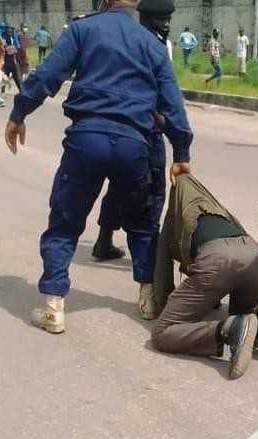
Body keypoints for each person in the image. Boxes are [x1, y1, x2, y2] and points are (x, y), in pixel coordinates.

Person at [4, 0, 192, 334]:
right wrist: (181, 153)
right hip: (135, 144)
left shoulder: (83, 29)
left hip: (86, 138)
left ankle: (53, 305)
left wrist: (19, 113)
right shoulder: (152, 43)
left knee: (65, 221)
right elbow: (172, 103)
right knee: (142, 224)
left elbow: (48, 75)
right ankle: (148, 297)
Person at [152, 175, 258, 379]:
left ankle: (229, 329)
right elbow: (237, 260)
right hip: (256, 256)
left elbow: (163, 267)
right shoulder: (222, 213)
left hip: (217, 261)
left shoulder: (176, 218)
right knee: (242, 313)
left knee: (162, 334)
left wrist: (164, 304)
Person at [91, 0, 176, 285]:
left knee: (119, 186)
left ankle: (104, 240)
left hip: (128, 128)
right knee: (151, 194)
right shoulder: (148, 44)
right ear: (143, 16)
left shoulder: (137, 38)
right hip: (145, 130)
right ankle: (150, 267)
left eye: (167, 19)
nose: (164, 24)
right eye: (159, 18)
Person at [1, 26, 21, 93]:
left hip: (12, 60)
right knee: (5, 76)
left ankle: (21, 90)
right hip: (7, 61)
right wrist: (11, 48)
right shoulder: (4, 37)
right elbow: (4, 47)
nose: (10, 31)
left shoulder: (12, 37)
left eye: (12, 30)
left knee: (16, 77)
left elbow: (15, 49)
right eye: (9, 29)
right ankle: (2, 91)